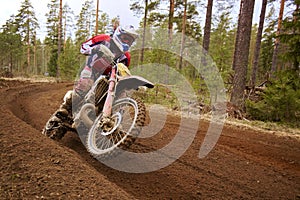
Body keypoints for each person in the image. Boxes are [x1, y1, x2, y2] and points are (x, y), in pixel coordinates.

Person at [43, 25, 139, 139]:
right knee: (84, 86)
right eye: (125, 38)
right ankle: (62, 112)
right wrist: (93, 49)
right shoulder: (104, 39)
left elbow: (121, 70)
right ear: (118, 35)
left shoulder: (126, 56)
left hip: (108, 78)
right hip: (92, 70)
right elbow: (83, 47)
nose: (127, 42)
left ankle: (110, 121)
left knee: (117, 94)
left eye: (130, 40)